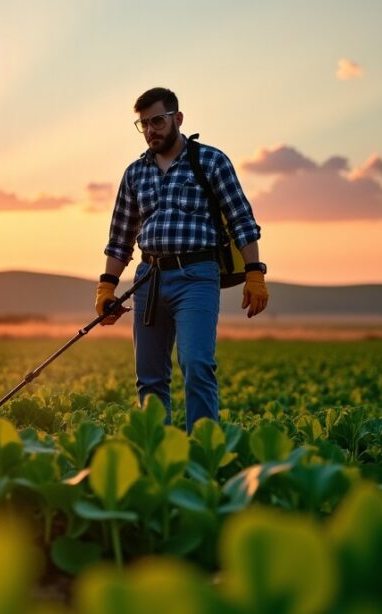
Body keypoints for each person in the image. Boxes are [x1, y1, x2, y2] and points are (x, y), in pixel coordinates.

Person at [95, 87, 268, 432]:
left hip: (197, 275)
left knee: (197, 364)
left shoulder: (211, 161)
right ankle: (158, 453)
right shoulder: (134, 173)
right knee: (149, 377)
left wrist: (255, 274)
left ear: (178, 119)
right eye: (143, 124)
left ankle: (203, 452)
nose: (151, 130)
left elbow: (241, 220)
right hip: (148, 278)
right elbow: (120, 237)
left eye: (157, 121)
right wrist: (106, 287)